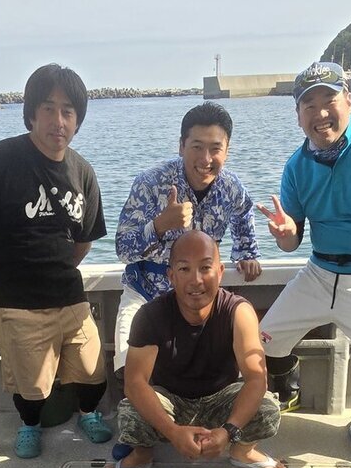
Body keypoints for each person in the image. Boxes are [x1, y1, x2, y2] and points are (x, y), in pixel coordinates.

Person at [0, 64, 112, 459]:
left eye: (68, 111)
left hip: (69, 296)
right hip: (14, 299)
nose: (58, 121)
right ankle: (29, 425)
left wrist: (55, 270)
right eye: (48, 108)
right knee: (31, 386)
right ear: (30, 113)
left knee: (94, 370)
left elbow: (83, 243)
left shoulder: (83, 172)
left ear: (77, 120)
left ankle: (88, 413)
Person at [255, 61, 351, 444]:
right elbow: (292, 241)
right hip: (319, 271)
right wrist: (285, 233)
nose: (320, 113)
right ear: (297, 116)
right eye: (309, 105)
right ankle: (286, 385)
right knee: (262, 341)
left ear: (349, 100)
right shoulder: (296, 165)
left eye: (329, 99)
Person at [102, 230, 284, 468]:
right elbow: (135, 383)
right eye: (185, 269)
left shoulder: (238, 312)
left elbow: (256, 378)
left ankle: (242, 450)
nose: (196, 280)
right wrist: (173, 432)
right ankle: (142, 455)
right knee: (130, 413)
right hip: (172, 399)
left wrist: (228, 431)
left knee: (267, 410)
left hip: (222, 398)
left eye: (205, 268)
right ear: (171, 275)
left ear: (220, 272)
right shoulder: (149, 316)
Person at [112, 102, 261, 372]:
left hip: (200, 295)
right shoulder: (150, 183)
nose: (205, 159)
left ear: (226, 151)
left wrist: (246, 252)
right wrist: (160, 225)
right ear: (181, 146)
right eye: (196, 147)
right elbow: (123, 249)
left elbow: (243, 212)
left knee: (228, 367)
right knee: (127, 368)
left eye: (215, 148)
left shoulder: (231, 187)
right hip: (146, 292)